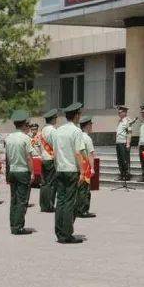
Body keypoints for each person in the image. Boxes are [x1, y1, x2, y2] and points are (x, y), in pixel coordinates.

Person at [49, 102, 89, 244]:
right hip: (71, 169)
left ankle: (59, 232)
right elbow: (78, 152)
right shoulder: (76, 131)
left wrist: (56, 166)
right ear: (77, 115)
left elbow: (54, 153)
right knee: (69, 203)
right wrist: (83, 172)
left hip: (60, 168)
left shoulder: (58, 130)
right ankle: (67, 234)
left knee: (60, 201)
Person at [4, 110, 35, 235]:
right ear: (24, 124)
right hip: (23, 171)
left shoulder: (9, 138)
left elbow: (7, 158)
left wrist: (7, 173)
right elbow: (29, 157)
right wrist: (32, 173)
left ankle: (13, 224)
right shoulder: (26, 138)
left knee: (14, 199)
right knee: (22, 200)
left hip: (12, 171)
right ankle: (18, 226)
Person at [38, 109, 58, 212]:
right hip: (50, 159)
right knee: (51, 184)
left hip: (44, 159)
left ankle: (43, 204)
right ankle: (49, 205)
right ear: (53, 119)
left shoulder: (42, 130)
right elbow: (56, 146)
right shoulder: (53, 130)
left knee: (44, 183)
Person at [77, 116, 97, 219]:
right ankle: (83, 210)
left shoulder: (78, 136)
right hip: (85, 166)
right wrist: (92, 168)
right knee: (84, 189)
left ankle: (78, 209)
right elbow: (90, 154)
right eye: (91, 124)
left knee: (79, 189)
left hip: (78, 165)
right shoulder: (87, 138)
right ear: (87, 125)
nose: (92, 126)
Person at [115, 106, 133, 181]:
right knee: (120, 160)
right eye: (118, 112)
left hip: (124, 143)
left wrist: (128, 144)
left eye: (120, 112)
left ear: (125, 112)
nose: (119, 113)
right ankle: (122, 174)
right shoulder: (120, 121)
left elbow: (129, 133)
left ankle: (127, 174)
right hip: (118, 143)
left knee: (125, 159)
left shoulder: (127, 121)